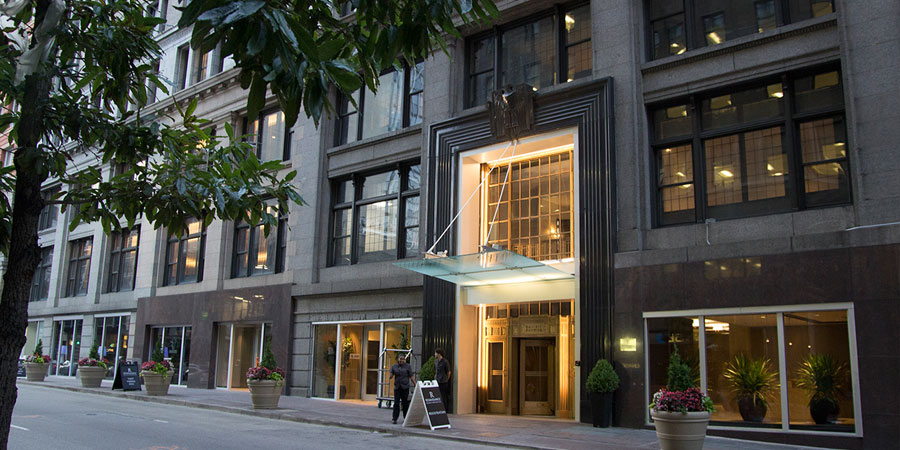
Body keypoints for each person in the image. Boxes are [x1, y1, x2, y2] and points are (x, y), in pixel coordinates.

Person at [389, 353, 414, 424]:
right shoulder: (394, 366)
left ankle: (406, 418)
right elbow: (391, 373)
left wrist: (415, 384)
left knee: (405, 403)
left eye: (403, 359)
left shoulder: (408, 366)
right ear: (398, 359)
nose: (401, 360)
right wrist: (390, 376)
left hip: (405, 387)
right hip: (397, 387)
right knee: (396, 403)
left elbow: (411, 376)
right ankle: (394, 418)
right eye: (400, 359)